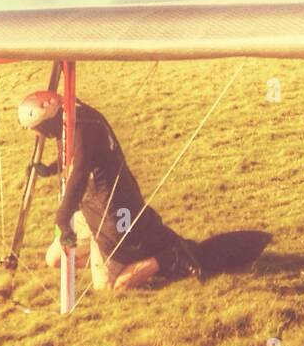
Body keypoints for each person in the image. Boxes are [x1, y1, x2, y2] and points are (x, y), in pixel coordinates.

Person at [17, 89, 201, 292]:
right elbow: (77, 156)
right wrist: (51, 169)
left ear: (45, 119)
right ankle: (105, 262)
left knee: (109, 287)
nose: (39, 135)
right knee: (54, 259)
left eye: (39, 130)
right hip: (91, 210)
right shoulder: (70, 117)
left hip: (110, 210)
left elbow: (79, 174)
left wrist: (62, 219)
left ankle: (170, 256)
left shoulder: (80, 124)